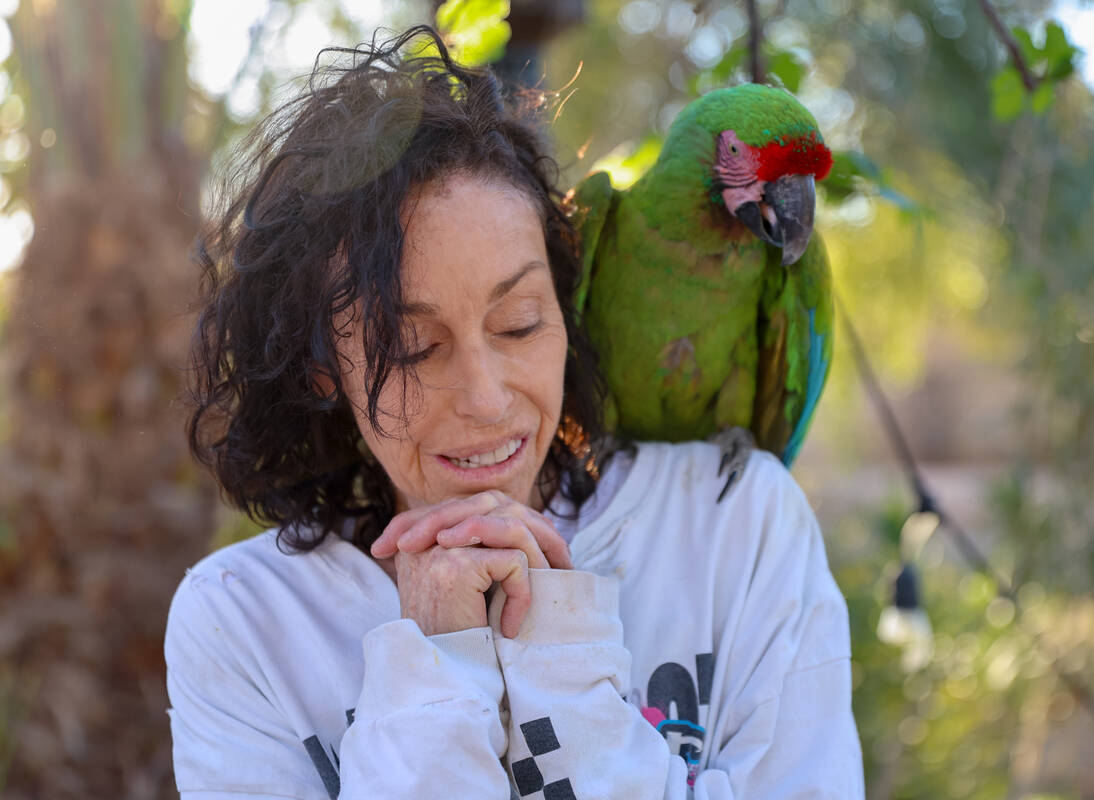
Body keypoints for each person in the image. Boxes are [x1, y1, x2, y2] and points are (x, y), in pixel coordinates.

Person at [167, 26, 864, 799]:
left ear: (569, 315)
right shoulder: (243, 623)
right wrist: (434, 662)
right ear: (321, 367)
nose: (489, 399)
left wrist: (561, 653)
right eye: (413, 346)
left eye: (521, 323)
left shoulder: (740, 526)